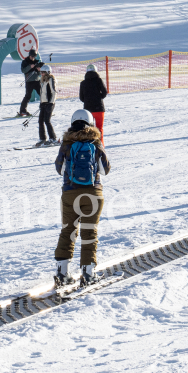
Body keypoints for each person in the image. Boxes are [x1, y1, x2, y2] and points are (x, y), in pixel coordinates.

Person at [54, 109, 111, 287]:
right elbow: (105, 170)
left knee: (68, 230)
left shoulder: (66, 143)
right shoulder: (95, 141)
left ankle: (62, 273)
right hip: (93, 194)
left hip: (69, 193)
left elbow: (59, 169)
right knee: (89, 232)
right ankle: (88, 272)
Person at [79, 63, 109, 145]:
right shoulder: (99, 80)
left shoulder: (83, 83)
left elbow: (81, 98)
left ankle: (90, 146)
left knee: (89, 129)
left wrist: (88, 101)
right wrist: (98, 98)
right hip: (99, 108)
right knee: (99, 128)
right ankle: (100, 145)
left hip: (88, 110)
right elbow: (105, 92)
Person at [36, 65, 58, 147]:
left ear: (48, 72)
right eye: (41, 72)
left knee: (47, 121)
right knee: (40, 120)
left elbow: (54, 92)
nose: (42, 73)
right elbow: (42, 94)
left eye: (43, 72)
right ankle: (42, 138)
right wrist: (41, 103)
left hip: (49, 103)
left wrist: (51, 103)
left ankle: (53, 138)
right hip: (44, 103)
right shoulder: (42, 80)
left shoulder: (51, 79)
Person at [18, 49, 44, 118]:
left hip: (37, 81)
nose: (33, 58)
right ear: (29, 55)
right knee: (28, 96)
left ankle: (44, 109)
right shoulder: (25, 62)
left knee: (42, 94)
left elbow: (39, 73)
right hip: (29, 81)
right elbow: (23, 70)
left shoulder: (36, 62)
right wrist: (30, 66)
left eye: (34, 56)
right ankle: (22, 111)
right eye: (32, 56)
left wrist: (39, 70)